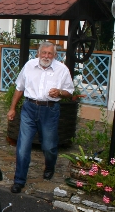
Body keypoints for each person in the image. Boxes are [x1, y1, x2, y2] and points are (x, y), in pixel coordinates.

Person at [7, 42, 75, 193]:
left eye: (49, 53)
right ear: (38, 53)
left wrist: (60, 92)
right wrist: (12, 109)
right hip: (29, 109)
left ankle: (50, 166)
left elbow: (69, 92)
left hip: (50, 111)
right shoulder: (29, 66)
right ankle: (19, 180)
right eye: (43, 53)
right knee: (23, 146)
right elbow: (19, 88)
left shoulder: (62, 69)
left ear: (55, 55)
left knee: (49, 147)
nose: (46, 56)